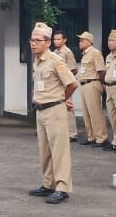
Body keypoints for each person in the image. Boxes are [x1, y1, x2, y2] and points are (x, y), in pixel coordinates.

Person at [26, 23, 78, 204]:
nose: (33, 43)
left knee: (59, 150)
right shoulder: (38, 61)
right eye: (32, 40)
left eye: (37, 40)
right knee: (45, 150)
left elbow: (72, 83)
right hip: (41, 110)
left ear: (47, 42)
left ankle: (62, 188)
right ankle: (48, 184)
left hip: (55, 109)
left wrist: (64, 99)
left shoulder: (56, 61)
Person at [74, 32, 108, 148]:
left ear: (89, 42)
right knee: (86, 112)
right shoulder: (85, 55)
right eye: (80, 40)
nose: (80, 42)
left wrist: (102, 84)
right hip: (84, 84)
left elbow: (101, 71)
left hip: (92, 83)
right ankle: (91, 136)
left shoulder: (95, 53)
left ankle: (101, 137)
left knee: (95, 112)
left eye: (83, 40)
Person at [51, 29, 80, 143]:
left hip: (66, 84)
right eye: (54, 39)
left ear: (64, 40)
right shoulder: (54, 52)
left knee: (68, 108)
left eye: (58, 39)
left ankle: (72, 133)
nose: (56, 41)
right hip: (57, 85)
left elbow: (73, 69)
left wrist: (66, 81)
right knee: (57, 108)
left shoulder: (67, 52)